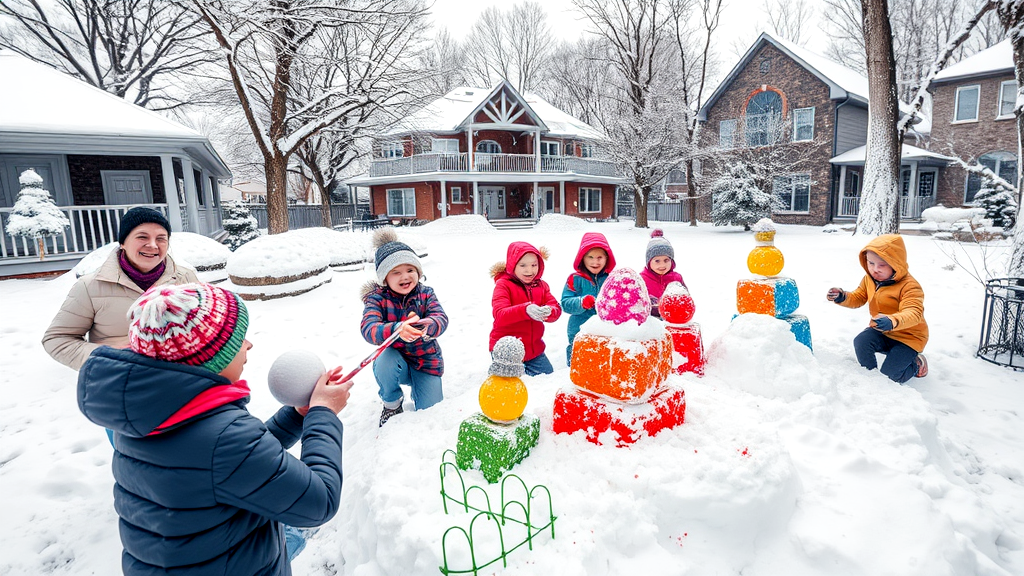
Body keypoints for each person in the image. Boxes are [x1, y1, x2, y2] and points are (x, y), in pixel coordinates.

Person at [77, 283, 351, 575]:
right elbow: (318, 501)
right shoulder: (222, 436)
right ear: (211, 356)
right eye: (237, 340)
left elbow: (229, 463)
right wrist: (324, 413)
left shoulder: (150, 414)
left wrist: (297, 416)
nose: (249, 345)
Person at [43, 206, 199, 370]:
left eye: (161, 238)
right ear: (123, 242)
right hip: (119, 383)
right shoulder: (90, 286)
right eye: (142, 237)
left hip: (179, 380)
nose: (153, 245)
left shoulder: (185, 278)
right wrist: (108, 357)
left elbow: (206, 328)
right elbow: (57, 339)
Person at [360, 228, 449, 426]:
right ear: (385, 278)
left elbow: (441, 317)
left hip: (426, 363)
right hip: (395, 363)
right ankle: (392, 403)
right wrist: (396, 329)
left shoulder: (426, 294)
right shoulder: (377, 300)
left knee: (431, 412)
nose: (405, 277)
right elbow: (368, 327)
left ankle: (422, 389)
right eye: (396, 272)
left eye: (410, 270)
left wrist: (431, 325)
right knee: (384, 358)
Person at [826, 234, 929, 383]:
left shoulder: (910, 286)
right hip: (883, 330)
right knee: (861, 341)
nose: (875, 269)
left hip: (908, 338)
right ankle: (871, 377)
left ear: (896, 264)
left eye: (882, 265)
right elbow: (859, 297)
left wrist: (892, 321)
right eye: (871, 263)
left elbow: (914, 312)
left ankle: (916, 364)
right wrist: (843, 297)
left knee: (891, 376)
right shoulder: (870, 279)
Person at [489, 241, 562, 376]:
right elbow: (499, 314)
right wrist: (525, 310)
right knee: (511, 387)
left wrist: (549, 311)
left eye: (534, 265)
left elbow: (556, 307)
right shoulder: (503, 285)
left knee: (547, 380)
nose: (529, 270)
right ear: (512, 265)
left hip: (534, 350)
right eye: (523, 265)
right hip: (507, 350)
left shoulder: (542, 286)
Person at [561, 232, 616, 365]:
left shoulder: (612, 279)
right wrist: (582, 302)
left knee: (603, 361)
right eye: (590, 257)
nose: (595, 262)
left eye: (599, 257)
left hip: (606, 330)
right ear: (582, 258)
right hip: (579, 329)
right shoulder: (575, 279)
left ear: (607, 258)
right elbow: (565, 303)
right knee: (580, 361)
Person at [640, 229, 686, 318]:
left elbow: (686, 299)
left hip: (673, 320)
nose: (662, 265)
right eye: (657, 261)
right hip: (650, 321)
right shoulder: (642, 279)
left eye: (666, 260)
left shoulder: (676, 278)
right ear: (649, 261)